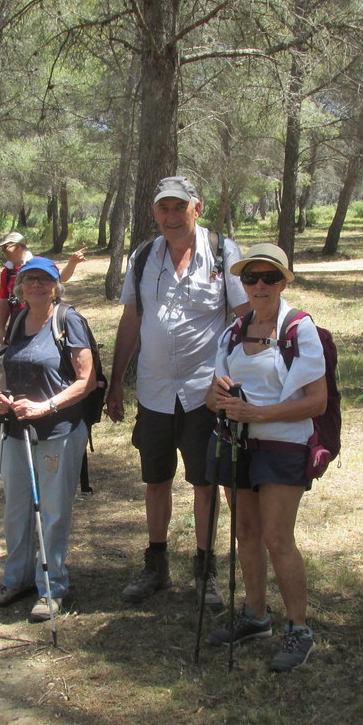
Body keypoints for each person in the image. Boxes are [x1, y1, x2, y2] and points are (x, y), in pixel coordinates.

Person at [105, 176, 249, 610]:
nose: (171, 216)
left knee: (204, 484)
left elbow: (244, 317)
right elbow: (132, 319)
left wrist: (242, 382)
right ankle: (157, 566)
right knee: (156, 480)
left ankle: (205, 573)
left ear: (196, 208)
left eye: (178, 207)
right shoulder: (144, 256)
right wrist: (115, 383)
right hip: (153, 391)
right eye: (163, 208)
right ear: (154, 213)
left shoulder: (223, 252)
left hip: (205, 393)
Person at [204, 244, 326, 671]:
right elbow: (210, 395)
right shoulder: (233, 331)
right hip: (239, 444)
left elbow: (316, 402)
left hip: (284, 445)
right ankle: (256, 616)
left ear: (283, 282)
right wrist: (218, 397)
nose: (259, 285)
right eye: (251, 277)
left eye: (269, 277)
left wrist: (259, 413)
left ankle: (299, 629)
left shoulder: (299, 328)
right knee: (247, 534)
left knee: (277, 538)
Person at [0, 257, 95, 621]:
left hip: (58, 431)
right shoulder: (18, 319)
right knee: (16, 508)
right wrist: (1, 397)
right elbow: (10, 370)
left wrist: (46, 406)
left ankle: (52, 587)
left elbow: (86, 380)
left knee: (52, 511)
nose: (37, 285)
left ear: (55, 285)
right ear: (19, 286)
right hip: (16, 430)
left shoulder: (69, 321)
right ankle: (16, 578)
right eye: (29, 279)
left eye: (44, 280)